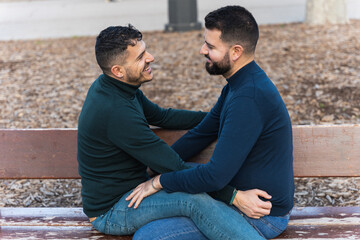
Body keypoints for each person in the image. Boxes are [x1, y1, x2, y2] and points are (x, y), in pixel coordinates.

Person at [77, 24, 265, 239]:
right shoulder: (115, 111)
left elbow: (163, 117)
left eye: (145, 50)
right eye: (140, 57)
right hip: (114, 210)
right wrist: (233, 197)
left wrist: (221, 119)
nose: (151, 58)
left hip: (134, 191)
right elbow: (172, 165)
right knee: (193, 199)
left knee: (198, 177)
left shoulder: (118, 88)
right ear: (118, 71)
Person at [127, 5, 295, 240]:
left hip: (260, 216)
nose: (202, 50)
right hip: (233, 202)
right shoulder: (238, 86)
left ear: (235, 52)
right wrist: (157, 165)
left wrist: (159, 181)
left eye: (211, 46)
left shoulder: (249, 98)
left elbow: (215, 177)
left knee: (148, 237)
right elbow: (202, 133)